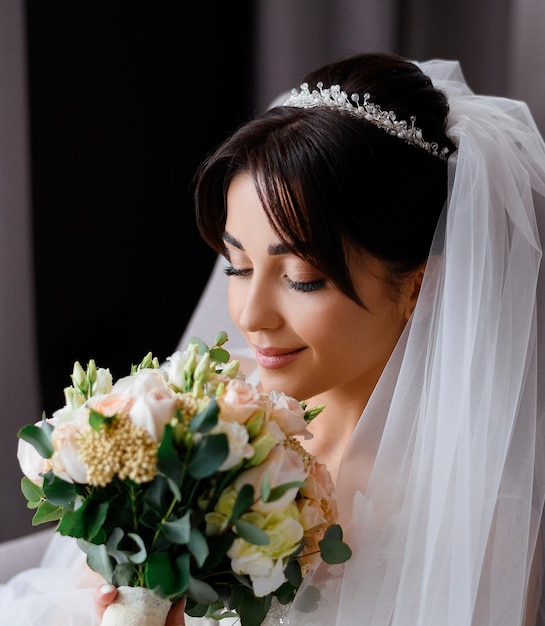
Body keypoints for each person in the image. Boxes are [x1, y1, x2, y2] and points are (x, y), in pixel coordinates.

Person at [2, 51, 545, 626]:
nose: (251, 315)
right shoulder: (195, 411)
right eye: (236, 267)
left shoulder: (478, 518)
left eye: (300, 279)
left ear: (419, 287)